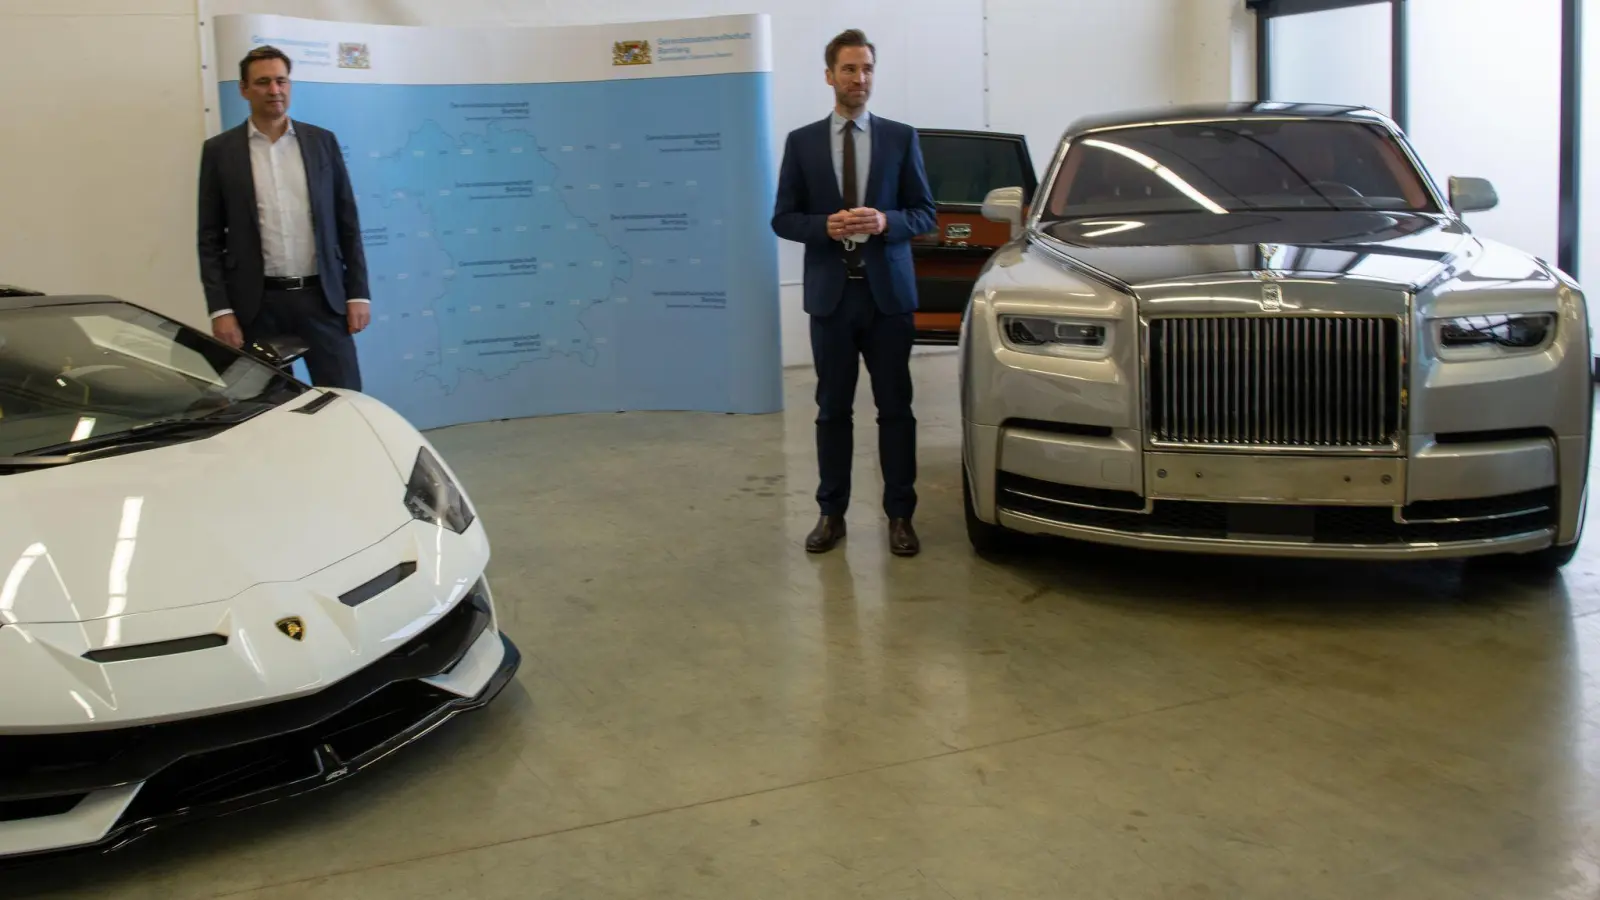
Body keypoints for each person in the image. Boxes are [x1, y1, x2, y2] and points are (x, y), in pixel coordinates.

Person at [771, 29, 937, 557]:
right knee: (831, 411)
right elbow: (783, 218)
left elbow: (926, 214)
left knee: (896, 410)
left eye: (866, 68)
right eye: (848, 68)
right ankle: (831, 513)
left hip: (888, 299)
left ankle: (901, 517)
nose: (858, 78)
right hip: (832, 299)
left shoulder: (901, 138)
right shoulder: (802, 142)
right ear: (829, 76)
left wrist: (887, 221)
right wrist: (824, 226)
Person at [197, 45, 370, 390]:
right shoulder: (220, 151)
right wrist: (221, 310)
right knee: (266, 404)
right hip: (256, 307)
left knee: (344, 397)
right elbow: (209, 238)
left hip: (323, 300)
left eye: (281, 81)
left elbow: (347, 223)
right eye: (263, 82)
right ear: (244, 89)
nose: (274, 90)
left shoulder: (322, 142)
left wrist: (358, 294)